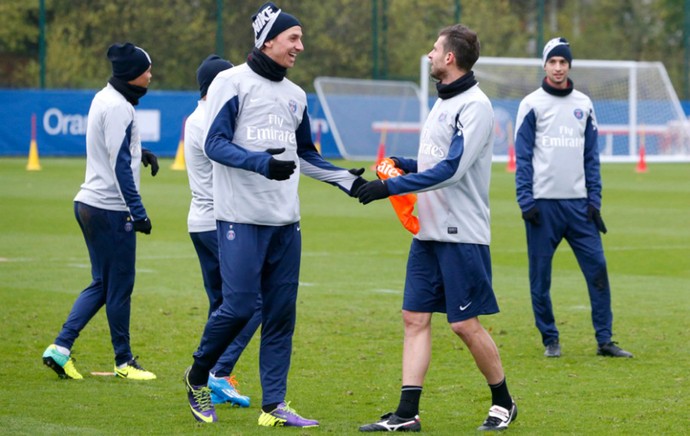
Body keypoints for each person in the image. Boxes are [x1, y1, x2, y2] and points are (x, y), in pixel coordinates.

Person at [182, 2, 366, 427]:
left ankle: (274, 406)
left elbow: (306, 155)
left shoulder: (296, 95)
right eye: (293, 38)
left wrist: (347, 181)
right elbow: (216, 144)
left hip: (286, 223)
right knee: (239, 307)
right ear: (268, 41)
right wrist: (261, 163)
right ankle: (197, 377)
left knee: (281, 314)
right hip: (240, 219)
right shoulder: (231, 83)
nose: (300, 46)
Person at [356, 25, 517, 432]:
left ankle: (504, 403)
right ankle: (407, 414)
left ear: (450, 58)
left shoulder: (475, 106)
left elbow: (451, 170)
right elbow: (433, 162)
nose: (429, 55)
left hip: (461, 233)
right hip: (427, 233)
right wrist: (402, 163)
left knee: (464, 324)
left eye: (434, 49)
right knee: (414, 318)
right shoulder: (443, 102)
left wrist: (388, 186)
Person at [42, 42, 159, 381]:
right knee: (120, 286)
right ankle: (124, 362)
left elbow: (115, 149)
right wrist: (138, 212)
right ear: (132, 74)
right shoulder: (121, 107)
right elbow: (120, 166)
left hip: (88, 203)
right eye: (147, 69)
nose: (151, 75)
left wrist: (142, 153)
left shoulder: (103, 97)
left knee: (102, 284)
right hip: (110, 209)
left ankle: (60, 349)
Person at [514, 37, 633, 359]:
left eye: (562, 62)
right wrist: (526, 201)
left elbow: (591, 157)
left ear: (569, 66)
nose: (557, 67)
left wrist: (594, 201)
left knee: (598, 270)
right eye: (552, 62)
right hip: (542, 207)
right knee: (540, 278)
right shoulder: (531, 105)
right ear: (544, 65)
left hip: (580, 207)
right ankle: (550, 339)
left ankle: (605, 340)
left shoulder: (584, 104)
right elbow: (522, 157)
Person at [183, 54, 262, 407]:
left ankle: (212, 374)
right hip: (220, 223)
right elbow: (232, 161)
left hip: (200, 222)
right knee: (253, 302)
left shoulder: (196, 118)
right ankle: (216, 372)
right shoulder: (210, 120)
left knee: (222, 305)